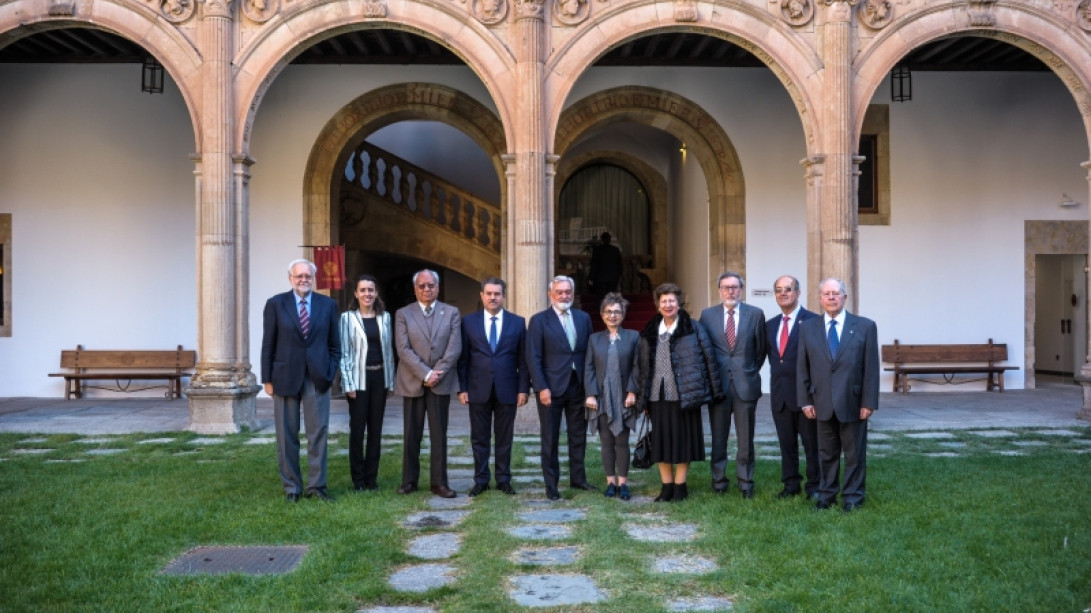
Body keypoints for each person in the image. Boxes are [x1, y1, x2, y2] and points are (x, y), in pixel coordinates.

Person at [261, 259, 341, 503]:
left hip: (317, 378)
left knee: (318, 433)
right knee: (287, 435)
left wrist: (329, 372)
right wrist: (267, 378)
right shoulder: (276, 304)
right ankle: (292, 488)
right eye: (299, 276)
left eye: (307, 276)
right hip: (284, 377)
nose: (303, 280)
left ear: (313, 278)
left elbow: (334, 346)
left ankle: (317, 487)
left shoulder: (328, 305)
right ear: (290, 279)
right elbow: (268, 344)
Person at [797, 278, 879, 513]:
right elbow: (802, 367)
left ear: (845, 297)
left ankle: (853, 497)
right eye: (826, 294)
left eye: (836, 293)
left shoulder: (865, 326)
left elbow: (871, 368)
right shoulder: (808, 328)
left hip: (853, 403)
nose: (831, 298)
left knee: (854, 454)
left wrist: (868, 401)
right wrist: (805, 400)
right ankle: (827, 495)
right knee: (826, 453)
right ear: (820, 298)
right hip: (820, 402)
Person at [634, 283, 721, 502]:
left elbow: (708, 357)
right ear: (658, 305)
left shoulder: (693, 327)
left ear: (679, 302)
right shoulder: (650, 330)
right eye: (663, 301)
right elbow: (642, 366)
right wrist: (642, 396)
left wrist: (714, 390)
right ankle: (666, 486)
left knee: (684, 440)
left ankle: (681, 486)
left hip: (685, 394)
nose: (668, 304)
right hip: (657, 396)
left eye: (672, 300)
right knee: (661, 441)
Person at [457, 277, 529, 496]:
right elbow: (463, 359)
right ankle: (481, 480)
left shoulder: (517, 322)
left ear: (503, 296)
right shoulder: (468, 322)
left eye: (497, 294)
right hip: (478, 388)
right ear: (482, 295)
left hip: (508, 388)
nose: (493, 297)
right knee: (479, 438)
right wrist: (462, 388)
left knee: (504, 438)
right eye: (488, 293)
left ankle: (503, 479)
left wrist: (523, 389)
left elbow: (523, 360)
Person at [394, 269, 462, 498]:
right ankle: (409, 481)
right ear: (415, 289)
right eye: (422, 286)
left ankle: (439, 482)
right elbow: (403, 349)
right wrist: (425, 373)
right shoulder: (403, 314)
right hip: (413, 381)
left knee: (438, 435)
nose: (426, 289)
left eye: (431, 285)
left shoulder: (451, 312)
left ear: (438, 287)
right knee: (412, 435)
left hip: (440, 383)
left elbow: (454, 348)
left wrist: (437, 373)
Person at [526, 275, 594, 501]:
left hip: (578, 386)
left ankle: (578, 479)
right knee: (550, 438)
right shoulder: (539, 321)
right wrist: (541, 387)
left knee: (578, 436)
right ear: (550, 294)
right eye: (560, 292)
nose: (564, 296)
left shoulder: (584, 318)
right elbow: (533, 357)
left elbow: (588, 354)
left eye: (568, 292)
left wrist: (590, 387)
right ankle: (551, 485)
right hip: (551, 389)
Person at [699, 272, 767, 498]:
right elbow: (704, 348)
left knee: (745, 439)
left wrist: (747, 371)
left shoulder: (755, 314)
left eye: (735, 287)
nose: (731, 291)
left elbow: (760, 350)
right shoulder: (707, 316)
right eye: (726, 287)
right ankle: (719, 480)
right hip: (718, 386)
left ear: (741, 290)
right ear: (719, 290)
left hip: (745, 385)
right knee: (718, 437)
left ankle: (746, 482)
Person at [765, 275, 820, 499]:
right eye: (778, 290)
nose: (783, 293)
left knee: (812, 446)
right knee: (786, 445)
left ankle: (815, 486)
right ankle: (790, 485)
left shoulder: (814, 321)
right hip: (780, 396)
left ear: (798, 293)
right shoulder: (770, 326)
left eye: (788, 289)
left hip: (806, 397)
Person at [339, 274, 395, 492]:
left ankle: (371, 479)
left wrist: (390, 382)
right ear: (356, 294)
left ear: (376, 293)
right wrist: (348, 384)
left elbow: (389, 352)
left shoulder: (386, 318)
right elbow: (344, 353)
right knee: (357, 431)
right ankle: (358, 480)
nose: (367, 294)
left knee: (376, 430)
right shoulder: (347, 318)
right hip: (358, 382)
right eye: (362, 290)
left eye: (371, 290)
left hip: (379, 378)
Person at [583, 293, 640, 500]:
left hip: (623, 397)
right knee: (606, 442)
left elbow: (637, 367)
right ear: (602, 314)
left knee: (622, 442)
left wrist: (633, 391)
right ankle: (610, 483)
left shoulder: (633, 336)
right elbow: (588, 367)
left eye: (617, 312)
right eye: (609, 312)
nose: (612, 315)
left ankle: (623, 483)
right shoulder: (594, 339)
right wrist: (590, 394)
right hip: (601, 397)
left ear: (623, 314)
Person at [588, 231, 623, 300]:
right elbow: (619, 265)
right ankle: (609, 309)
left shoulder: (597, 250)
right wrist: (618, 275)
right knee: (611, 297)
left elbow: (594, 265)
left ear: (601, 239)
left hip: (600, 278)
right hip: (613, 277)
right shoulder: (615, 250)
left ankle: (602, 310)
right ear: (610, 240)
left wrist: (591, 277)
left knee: (601, 296)